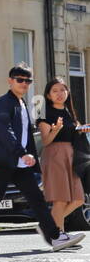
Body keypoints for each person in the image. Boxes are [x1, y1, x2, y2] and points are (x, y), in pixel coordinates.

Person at [0, 65, 82, 252]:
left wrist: (28, 157)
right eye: (19, 79)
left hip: (19, 163)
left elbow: (26, 134)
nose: (23, 83)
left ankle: (55, 237)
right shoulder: (4, 102)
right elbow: (4, 130)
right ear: (10, 81)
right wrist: (21, 153)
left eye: (27, 80)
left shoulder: (21, 103)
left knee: (36, 198)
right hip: (4, 160)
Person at [37, 78, 86, 238]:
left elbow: (73, 135)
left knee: (78, 198)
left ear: (68, 92)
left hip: (71, 156)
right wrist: (56, 130)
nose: (59, 94)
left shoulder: (68, 111)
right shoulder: (45, 113)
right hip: (54, 155)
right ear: (48, 95)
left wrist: (81, 130)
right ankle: (59, 234)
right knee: (61, 198)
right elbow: (45, 141)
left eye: (62, 90)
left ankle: (49, 226)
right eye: (55, 91)